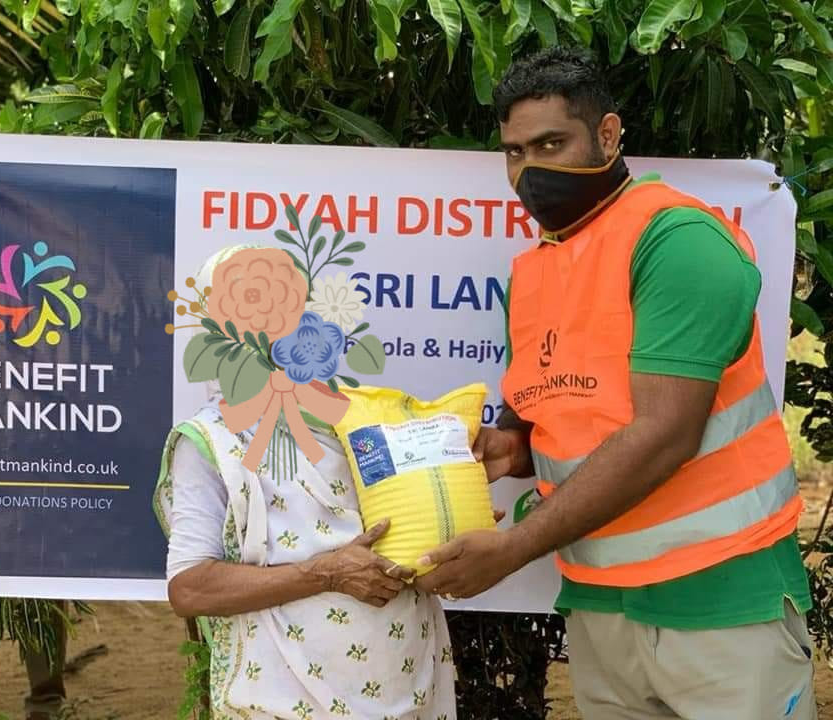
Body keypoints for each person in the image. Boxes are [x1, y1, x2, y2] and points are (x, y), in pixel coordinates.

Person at [415, 47, 817, 720]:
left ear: (607, 135)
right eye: (514, 153)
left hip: (722, 599)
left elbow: (663, 434)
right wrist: (511, 449)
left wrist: (511, 549)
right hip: (601, 605)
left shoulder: (677, 240)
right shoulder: (533, 273)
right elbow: (563, 416)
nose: (530, 170)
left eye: (551, 144)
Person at [154, 246, 457, 720]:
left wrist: (449, 521)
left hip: (410, 684)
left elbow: (405, 529)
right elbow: (191, 588)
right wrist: (326, 573)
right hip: (282, 699)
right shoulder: (209, 441)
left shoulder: (361, 414)